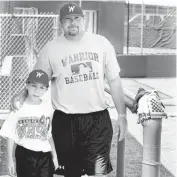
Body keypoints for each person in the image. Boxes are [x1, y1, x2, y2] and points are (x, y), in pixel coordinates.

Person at [11, 3, 127, 177]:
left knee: (98, 172)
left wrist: (123, 115)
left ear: (84, 20)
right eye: (68, 19)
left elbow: (115, 82)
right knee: (70, 173)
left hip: (98, 120)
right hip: (65, 122)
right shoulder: (51, 49)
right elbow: (37, 78)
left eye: (76, 18)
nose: (73, 23)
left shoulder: (101, 44)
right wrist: (21, 93)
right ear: (61, 23)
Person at [0, 70, 59, 177]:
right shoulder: (19, 106)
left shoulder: (48, 108)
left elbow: (48, 134)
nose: (37, 91)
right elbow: (10, 135)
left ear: (46, 89)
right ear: (26, 85)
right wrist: (9, 159)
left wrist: (54, 155)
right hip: (25, 154)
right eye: (33, 85)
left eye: (42, 87)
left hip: (45, 155)